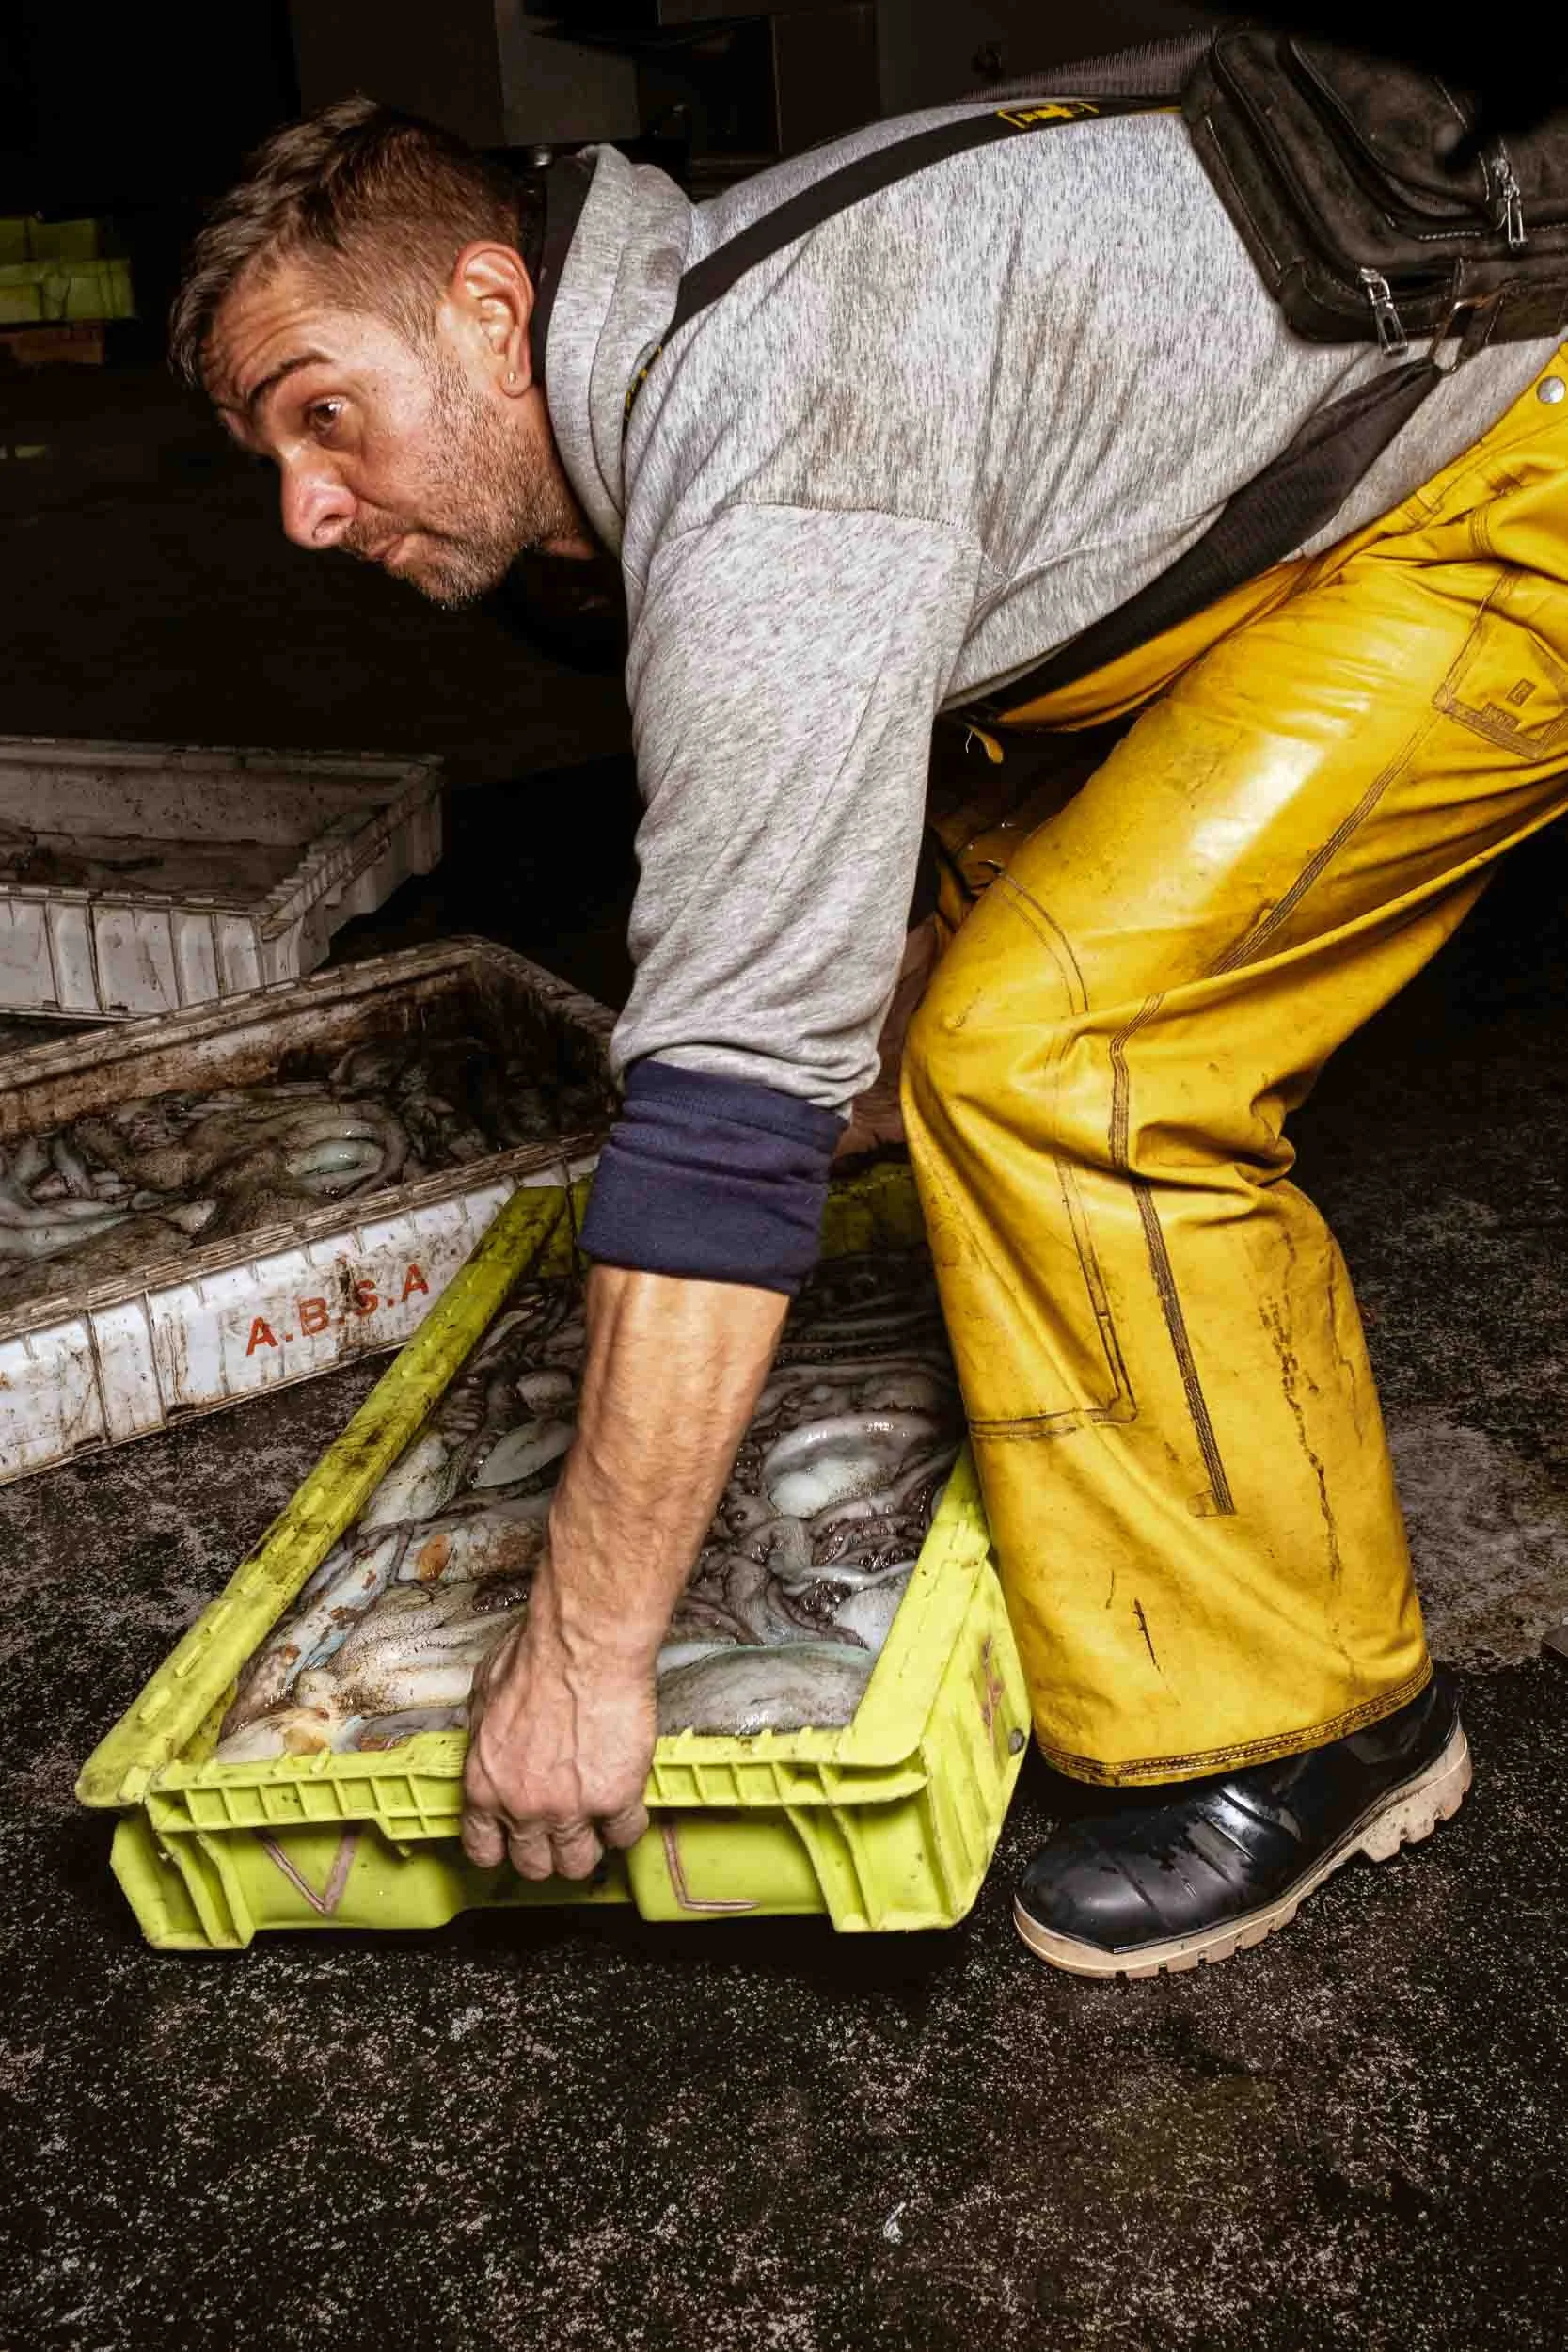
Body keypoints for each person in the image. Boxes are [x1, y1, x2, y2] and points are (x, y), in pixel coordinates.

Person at [171, 84, 1566, 1978]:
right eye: (270, 457)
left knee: (1056, 1053)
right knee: (922, 1001)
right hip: (1335, 461)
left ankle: (1314, 1723)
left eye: (323, 414)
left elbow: (728, 1107)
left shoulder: (766, 461)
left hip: (1505, 464)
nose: (304, 508)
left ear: (493, 312)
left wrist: (582, 1653)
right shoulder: (684, 322)